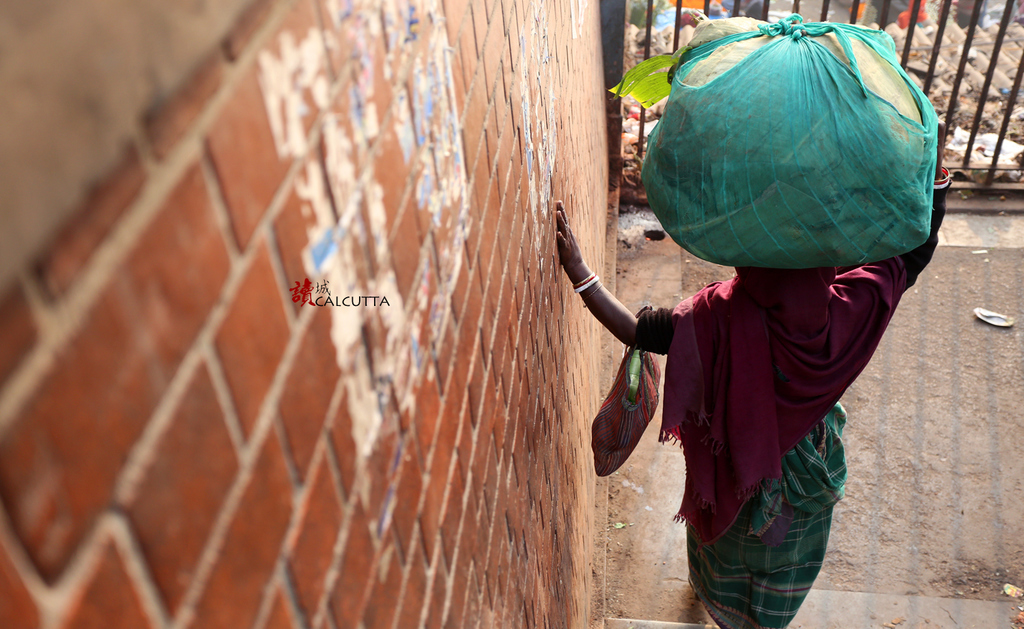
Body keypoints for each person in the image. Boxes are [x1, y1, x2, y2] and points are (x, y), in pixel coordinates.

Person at [555, 124, 949, 629]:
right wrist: (933, 173)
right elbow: (909, 256)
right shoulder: (845, 316)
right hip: (804, 475)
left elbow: (635, 328)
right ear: (824, 272)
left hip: (730, 469)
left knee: (722, 542)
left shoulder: (712, 318)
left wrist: (580, 271)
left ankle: (712, 597)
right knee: (784, 556)